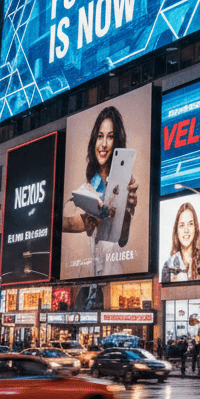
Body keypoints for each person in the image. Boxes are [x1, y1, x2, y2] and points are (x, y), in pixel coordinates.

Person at [63, 105, 140, 276]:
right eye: (100, 136)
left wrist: (125, 213)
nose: (104, 144)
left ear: (117, 141)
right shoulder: (86, 188)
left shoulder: (126, 183)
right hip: (92, 278)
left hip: (115, 277)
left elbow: (122, 240)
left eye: (110, 137)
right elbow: (73, 223)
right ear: (94, 140)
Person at [160, 202, 200, 282]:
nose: (186, 230)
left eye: (190, 224)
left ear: (195, 228)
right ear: (176, 230)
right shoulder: (169, 265)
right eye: (182, 225)